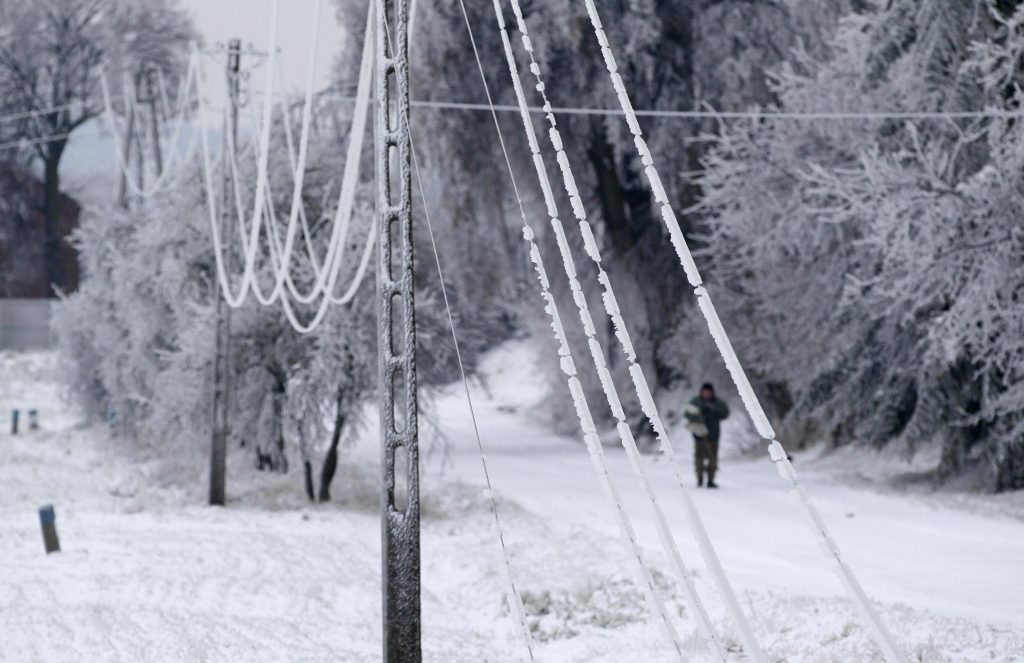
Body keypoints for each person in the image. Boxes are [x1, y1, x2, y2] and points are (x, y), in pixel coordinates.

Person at [684, 382, 729, 488]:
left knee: (712, 458)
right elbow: (687, 414)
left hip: (713, 435)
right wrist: (697, 417)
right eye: (705, 392)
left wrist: (713, 410)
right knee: (699, 458)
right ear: (701, 392)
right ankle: (699, 478)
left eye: (709, 392)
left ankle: (710, 480)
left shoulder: (718, 403)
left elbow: (725, 414)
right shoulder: (696, 401)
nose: (707, 394)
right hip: (699, 434)